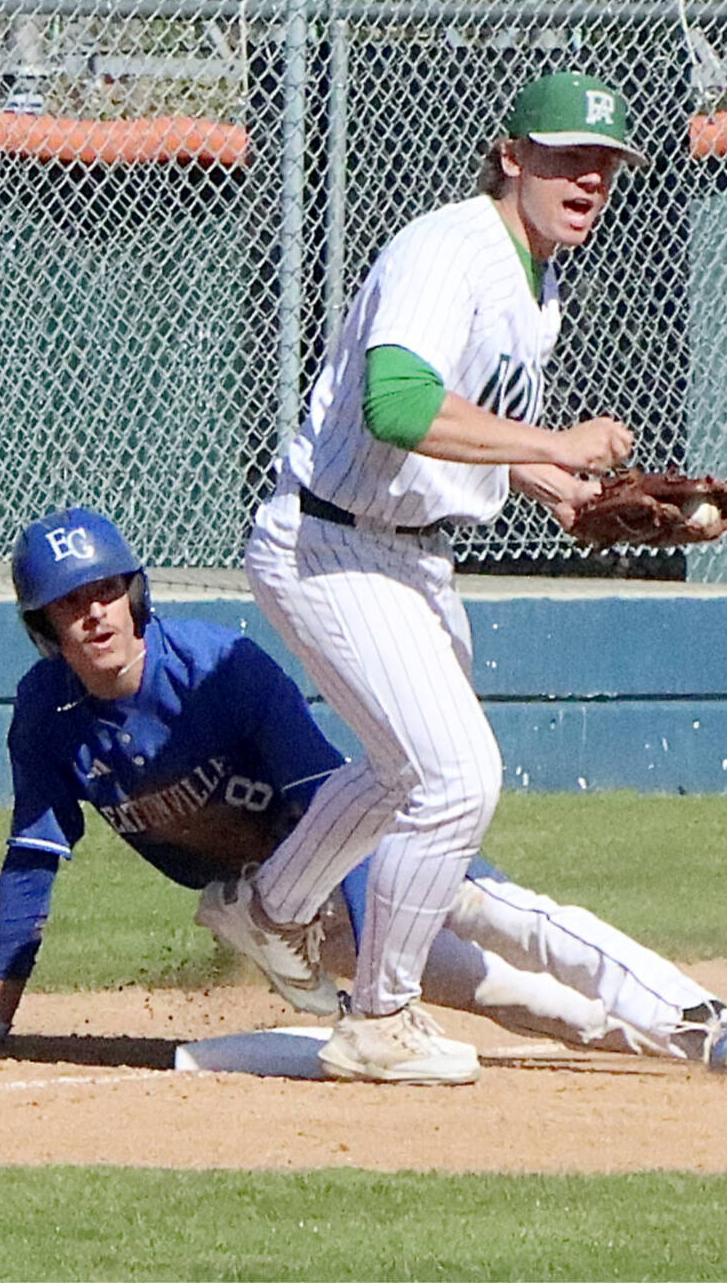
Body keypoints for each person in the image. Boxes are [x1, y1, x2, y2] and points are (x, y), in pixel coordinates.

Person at [0, 509, 727, 1077]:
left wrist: (366, 992)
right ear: (45, 629)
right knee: (525, 1005)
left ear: (135, 591)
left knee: (505, 912)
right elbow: (33, 856)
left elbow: (318, 800)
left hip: (348, 854)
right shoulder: (45, 715)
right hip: (282, 912)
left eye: (105, 588)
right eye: (66, 605)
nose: (92, 614)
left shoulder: (220, 668)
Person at [198, 70, 653, 1084]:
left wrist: (552, 486)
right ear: (510, 156)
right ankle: (379, 1016)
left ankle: (266, 906)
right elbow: (396, 407)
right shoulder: (448, 249)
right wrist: (555, 437)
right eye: (564, 155)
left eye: (604, 163)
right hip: (328, 541)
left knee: (404, 769)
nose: (587, 177)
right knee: (453, 778)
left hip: (408, 550)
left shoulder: (534, 278)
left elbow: (451, 419)